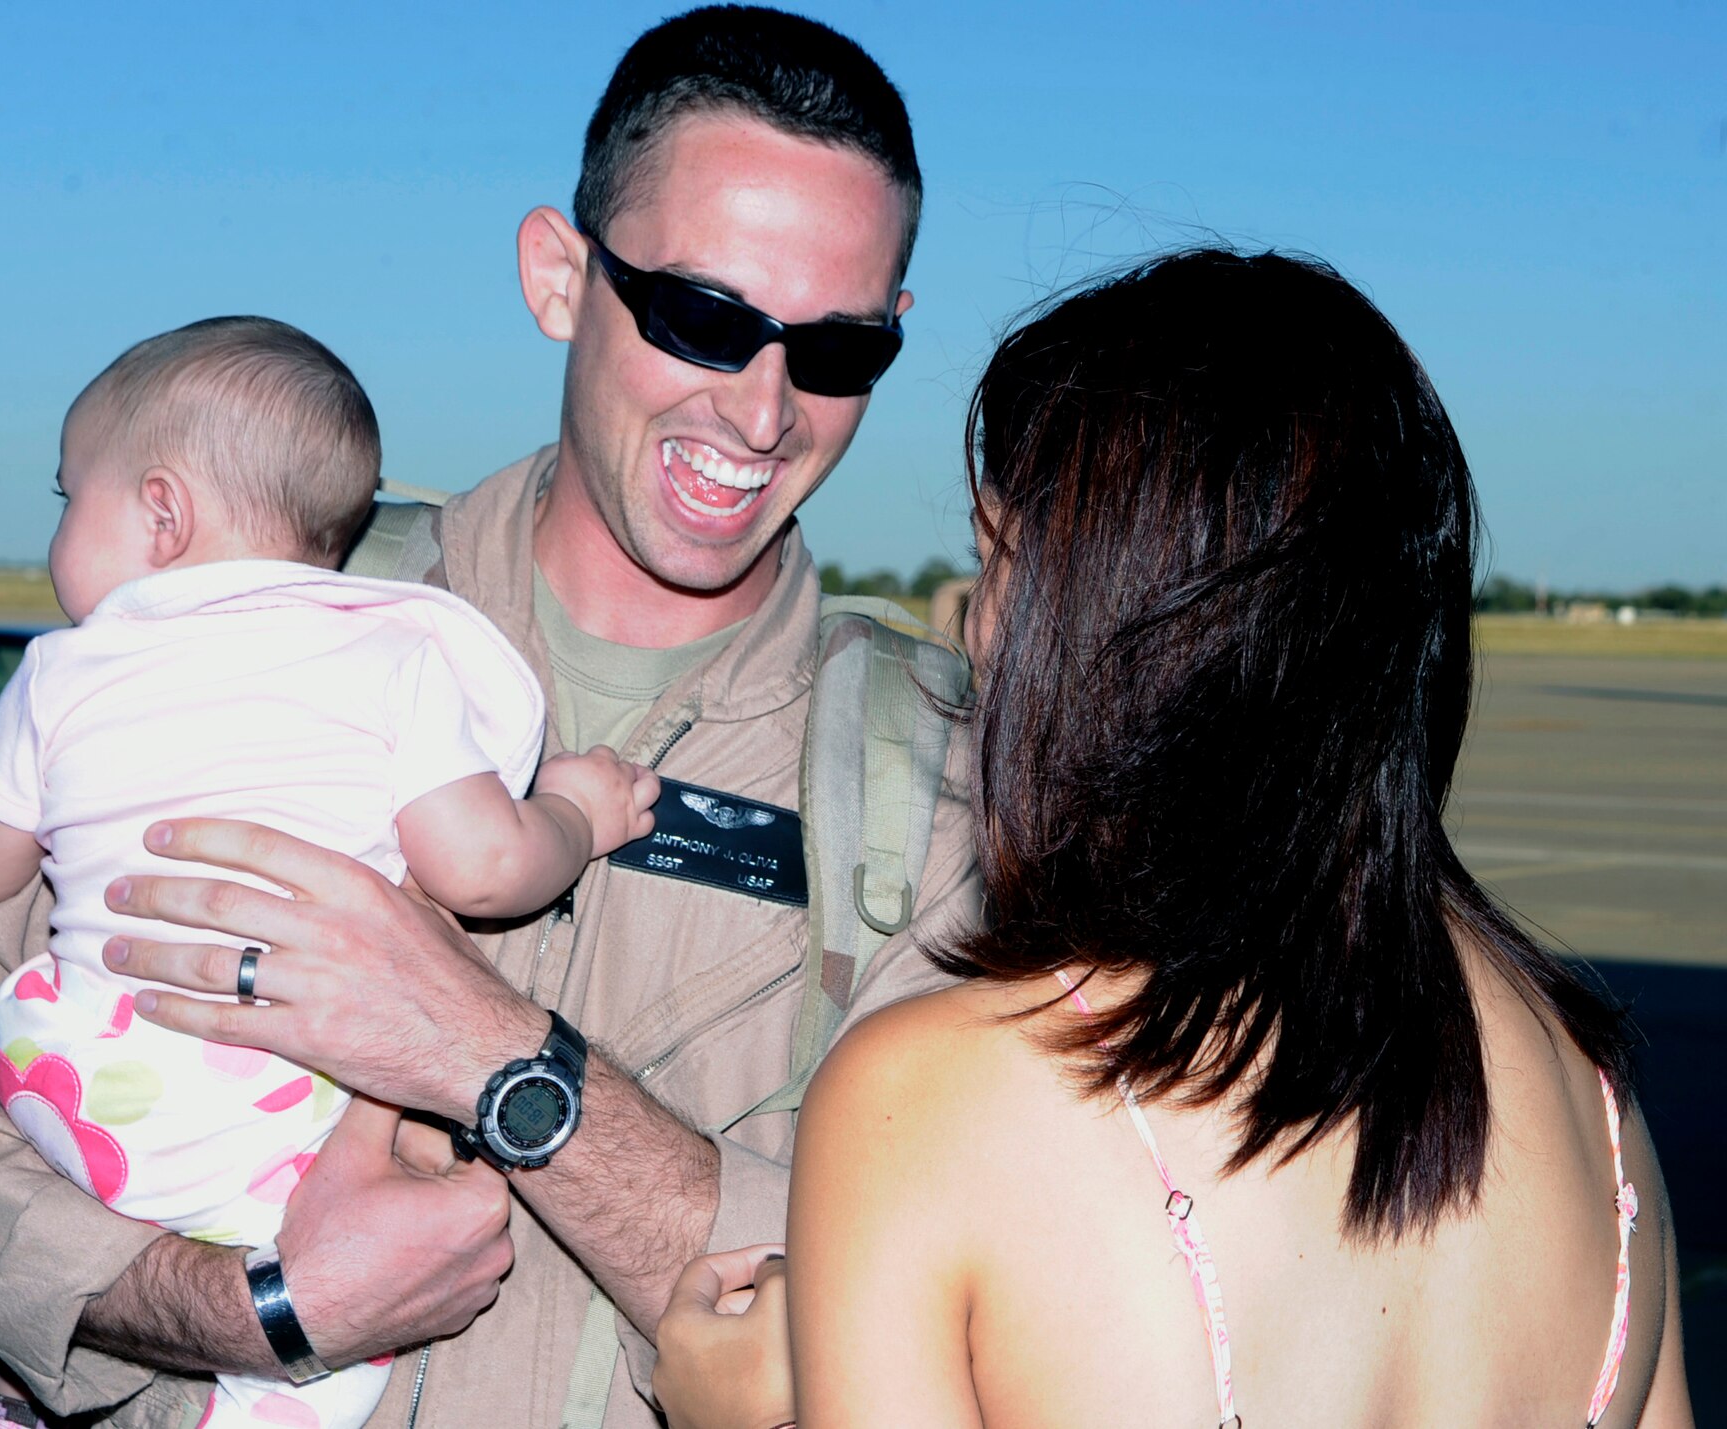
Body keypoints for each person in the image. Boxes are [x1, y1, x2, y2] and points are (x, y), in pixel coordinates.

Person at [0, 9, 981, 1428]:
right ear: (559, 276)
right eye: (702, 317)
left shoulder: (941, 780)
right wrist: (242, 1309)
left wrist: (495, 1057)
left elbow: (925, 1314)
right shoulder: (253, 609)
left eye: (838, 349)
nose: (762, 407)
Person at [653, 250, 1694, 1427]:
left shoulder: (931, 1096)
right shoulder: (1593, 1102)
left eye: (995, 559)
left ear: (1109, 612)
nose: (976, 622)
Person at [0, 316, 656, 1429]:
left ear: (161, 514)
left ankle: (35, 1388)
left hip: (67, 1074)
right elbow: (487, 866)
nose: (58, 533)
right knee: (348, 1303)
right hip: (262, 1098)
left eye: (68, 497)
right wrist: (576, 812)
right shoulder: (395, 656)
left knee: (65, 1124)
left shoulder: (65, 672)